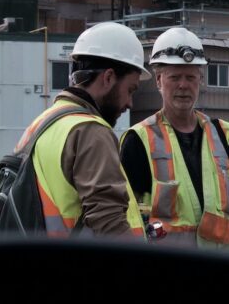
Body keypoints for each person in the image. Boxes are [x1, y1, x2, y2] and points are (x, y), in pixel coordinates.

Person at [13, 22, 149, 237]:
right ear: (108, 78)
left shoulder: (43, 124)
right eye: (130, 90)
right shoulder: (90, 131)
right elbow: (108, 220)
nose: (130, 103)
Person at [120, 27, 229, 249]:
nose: (183, 85)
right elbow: (125, 212)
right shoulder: (139, 139)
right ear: (159, 81)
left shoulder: (223, 134)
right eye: (175, 77)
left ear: (200, 80)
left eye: (191, 77)